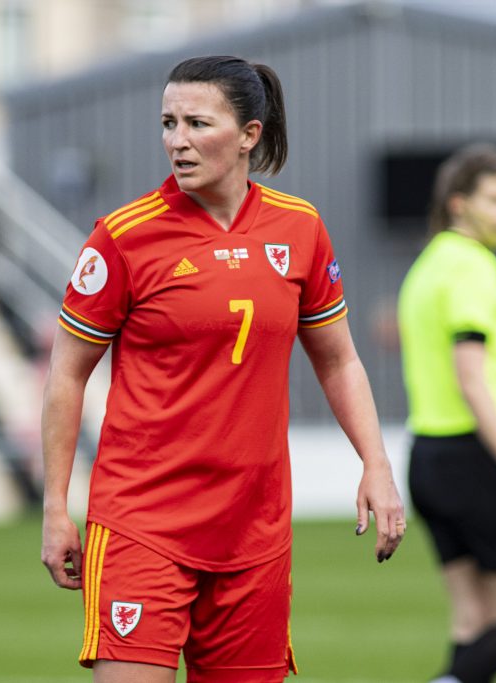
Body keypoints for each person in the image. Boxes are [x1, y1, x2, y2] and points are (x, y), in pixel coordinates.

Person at [41, 55, 405, 683]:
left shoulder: (300, 228)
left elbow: (340, 359)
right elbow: (66, 376)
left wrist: (376, 463)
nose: (177, 141)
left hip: (253, 532)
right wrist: (54, 506)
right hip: (142, 522)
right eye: (167, 122)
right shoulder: (123, 238)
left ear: (248, 135)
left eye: (196, 123)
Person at [397, 143, 496, 683]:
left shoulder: (428, 265)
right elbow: (472, 379)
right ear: (460, 203)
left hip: (429, 458)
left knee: (475, 619)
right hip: (476, 457)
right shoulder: (472, 267)